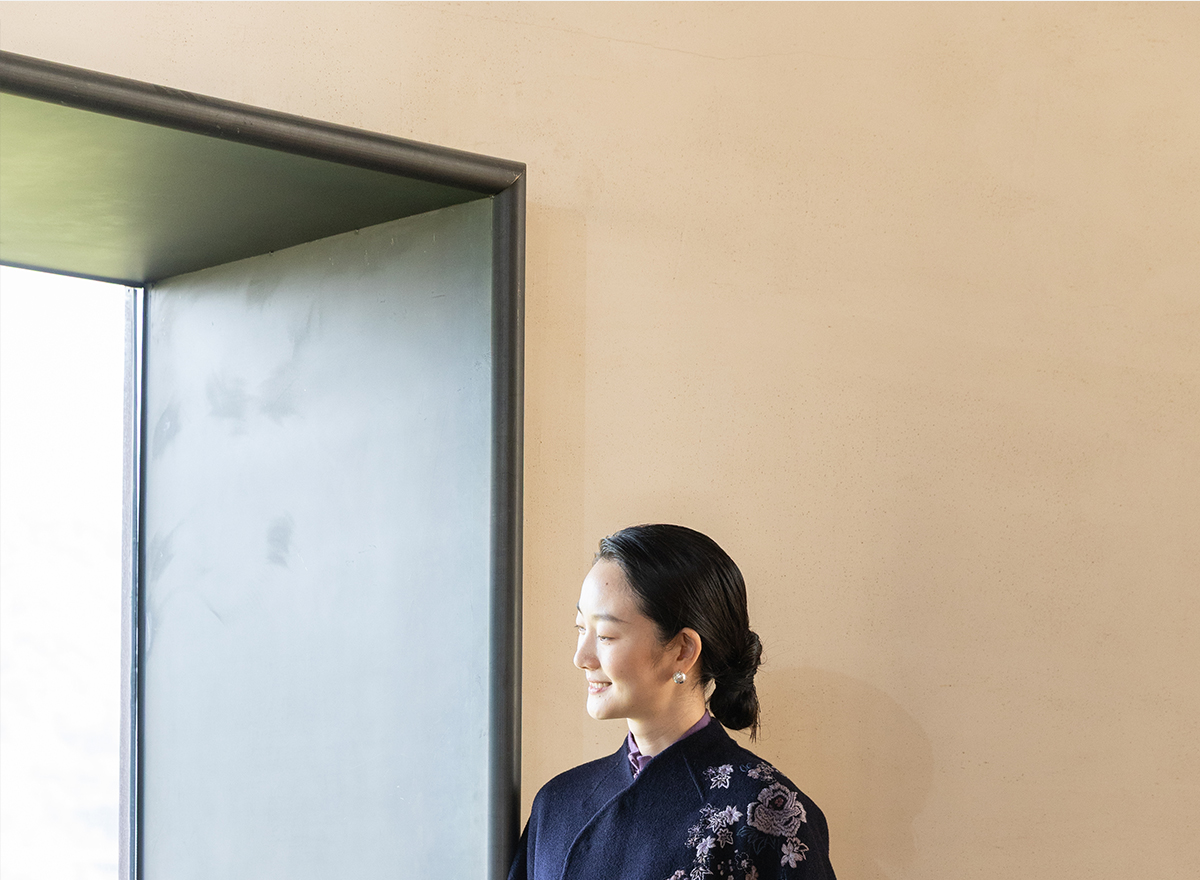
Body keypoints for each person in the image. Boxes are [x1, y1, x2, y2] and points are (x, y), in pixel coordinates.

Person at [508, 524, 836, 880]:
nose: (581, 658)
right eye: (580, 629)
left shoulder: (767, 812)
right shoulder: (558, 803)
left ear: (682, 650)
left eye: (605, 635)